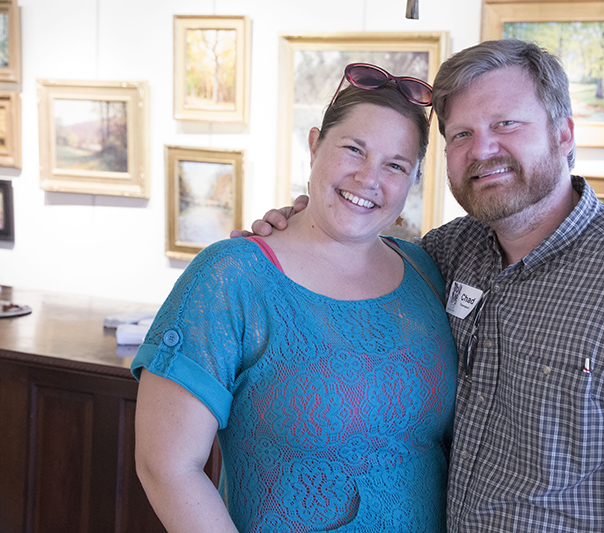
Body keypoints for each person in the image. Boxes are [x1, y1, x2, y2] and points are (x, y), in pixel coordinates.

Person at [242, 39, 604, 532]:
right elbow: (353, 257)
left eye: (507, 124)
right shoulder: (446, 255)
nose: (481, 150)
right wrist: (297, 227)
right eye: (461, 134)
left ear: (563, 135)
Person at [132, 63, 458, 533]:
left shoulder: (426, 273)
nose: (369, 178)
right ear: (313, 146)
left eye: (395, 165)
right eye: (353, 150)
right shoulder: (232, 277)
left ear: (413, 180)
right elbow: (166, 468)